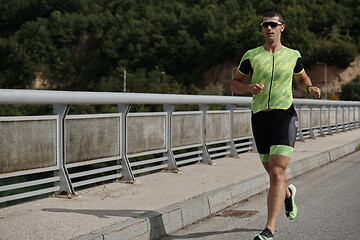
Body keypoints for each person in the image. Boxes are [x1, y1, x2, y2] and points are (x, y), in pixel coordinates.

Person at [231, 11, 321, 240]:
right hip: (260, 118)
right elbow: (234, 83)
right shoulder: (251, 56)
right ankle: (288, 194)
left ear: (282, 28)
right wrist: (248, 88)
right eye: (265, 25)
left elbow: (302, 79)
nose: (269, 28)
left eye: (273, 24)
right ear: (262, 29)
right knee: (272, 173)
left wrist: (310, 88)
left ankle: (269, 229)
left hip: (284, 116)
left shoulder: (293, 55)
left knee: (277, 171)